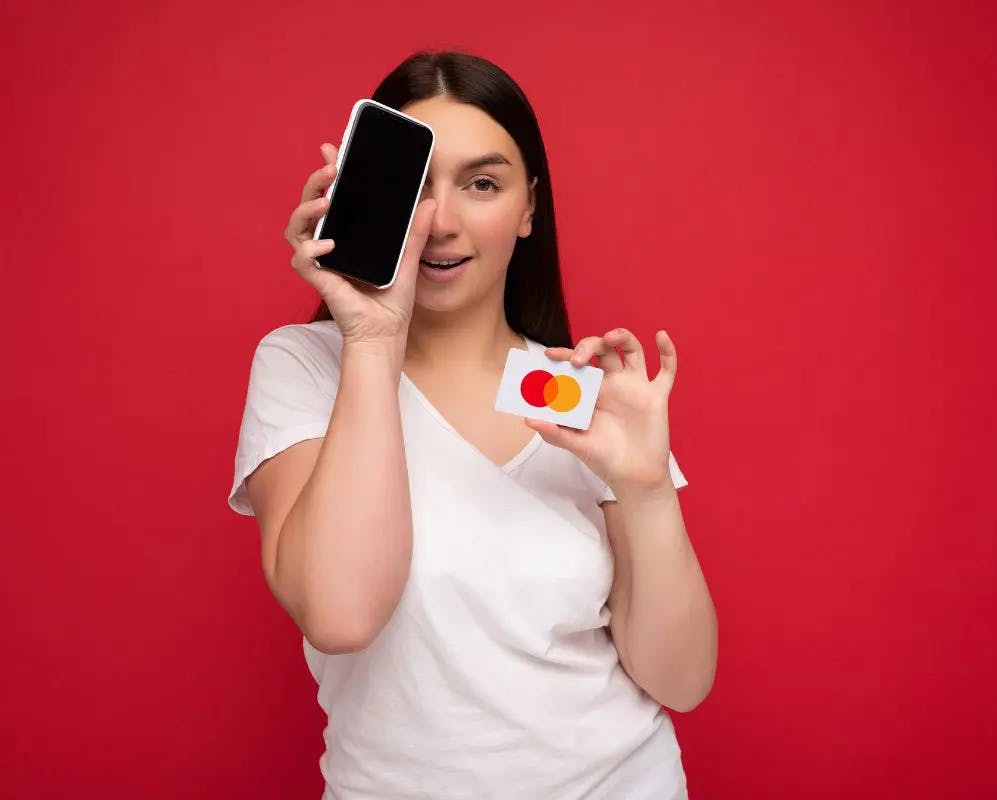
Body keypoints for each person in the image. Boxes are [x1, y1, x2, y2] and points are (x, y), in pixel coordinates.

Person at [227, 50, 717, 799]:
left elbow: (679, 682)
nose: (444, 223)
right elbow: (340, 612)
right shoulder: (307, 366)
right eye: (415, 188)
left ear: (528, 209)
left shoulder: (572, 391)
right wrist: (373, 338)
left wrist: (646, 488)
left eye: (482, 184)